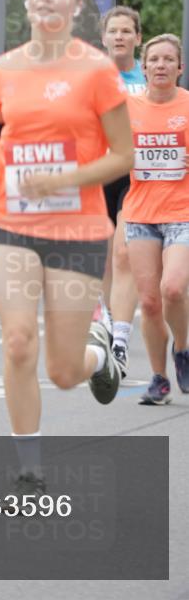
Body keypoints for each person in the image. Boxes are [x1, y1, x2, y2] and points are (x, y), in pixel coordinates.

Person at [0, 0, 133, 497]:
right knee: (18, 341)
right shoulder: (5, 68)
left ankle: (99, 356)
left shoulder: (96, 70)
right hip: (11, 223)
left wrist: (65, 175)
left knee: (63, 370)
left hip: (78, 230)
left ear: (77, 5)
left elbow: (123, 156)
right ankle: (28, 468)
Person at [121, 33, 189, 405]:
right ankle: (159, 379)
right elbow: (109, 153)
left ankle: (183, 347)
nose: (161, 65)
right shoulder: (127, 108)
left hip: (183, 211)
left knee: (173, 288)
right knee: (148, 303)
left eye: (168, 59)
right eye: (154, 60)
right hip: (141, 214)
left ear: (180, 67)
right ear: (143, 68)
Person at [100, 6, 146, 376]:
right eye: (113, 31)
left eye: (126, 31)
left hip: (135, 176)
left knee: (123, 253)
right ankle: (110, 319)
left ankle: (120, 336)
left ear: (137, 38)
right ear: (104, 38)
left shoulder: (146, 79)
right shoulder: (90, 78)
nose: (119, 36)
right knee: (103, 253)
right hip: (97, 173)